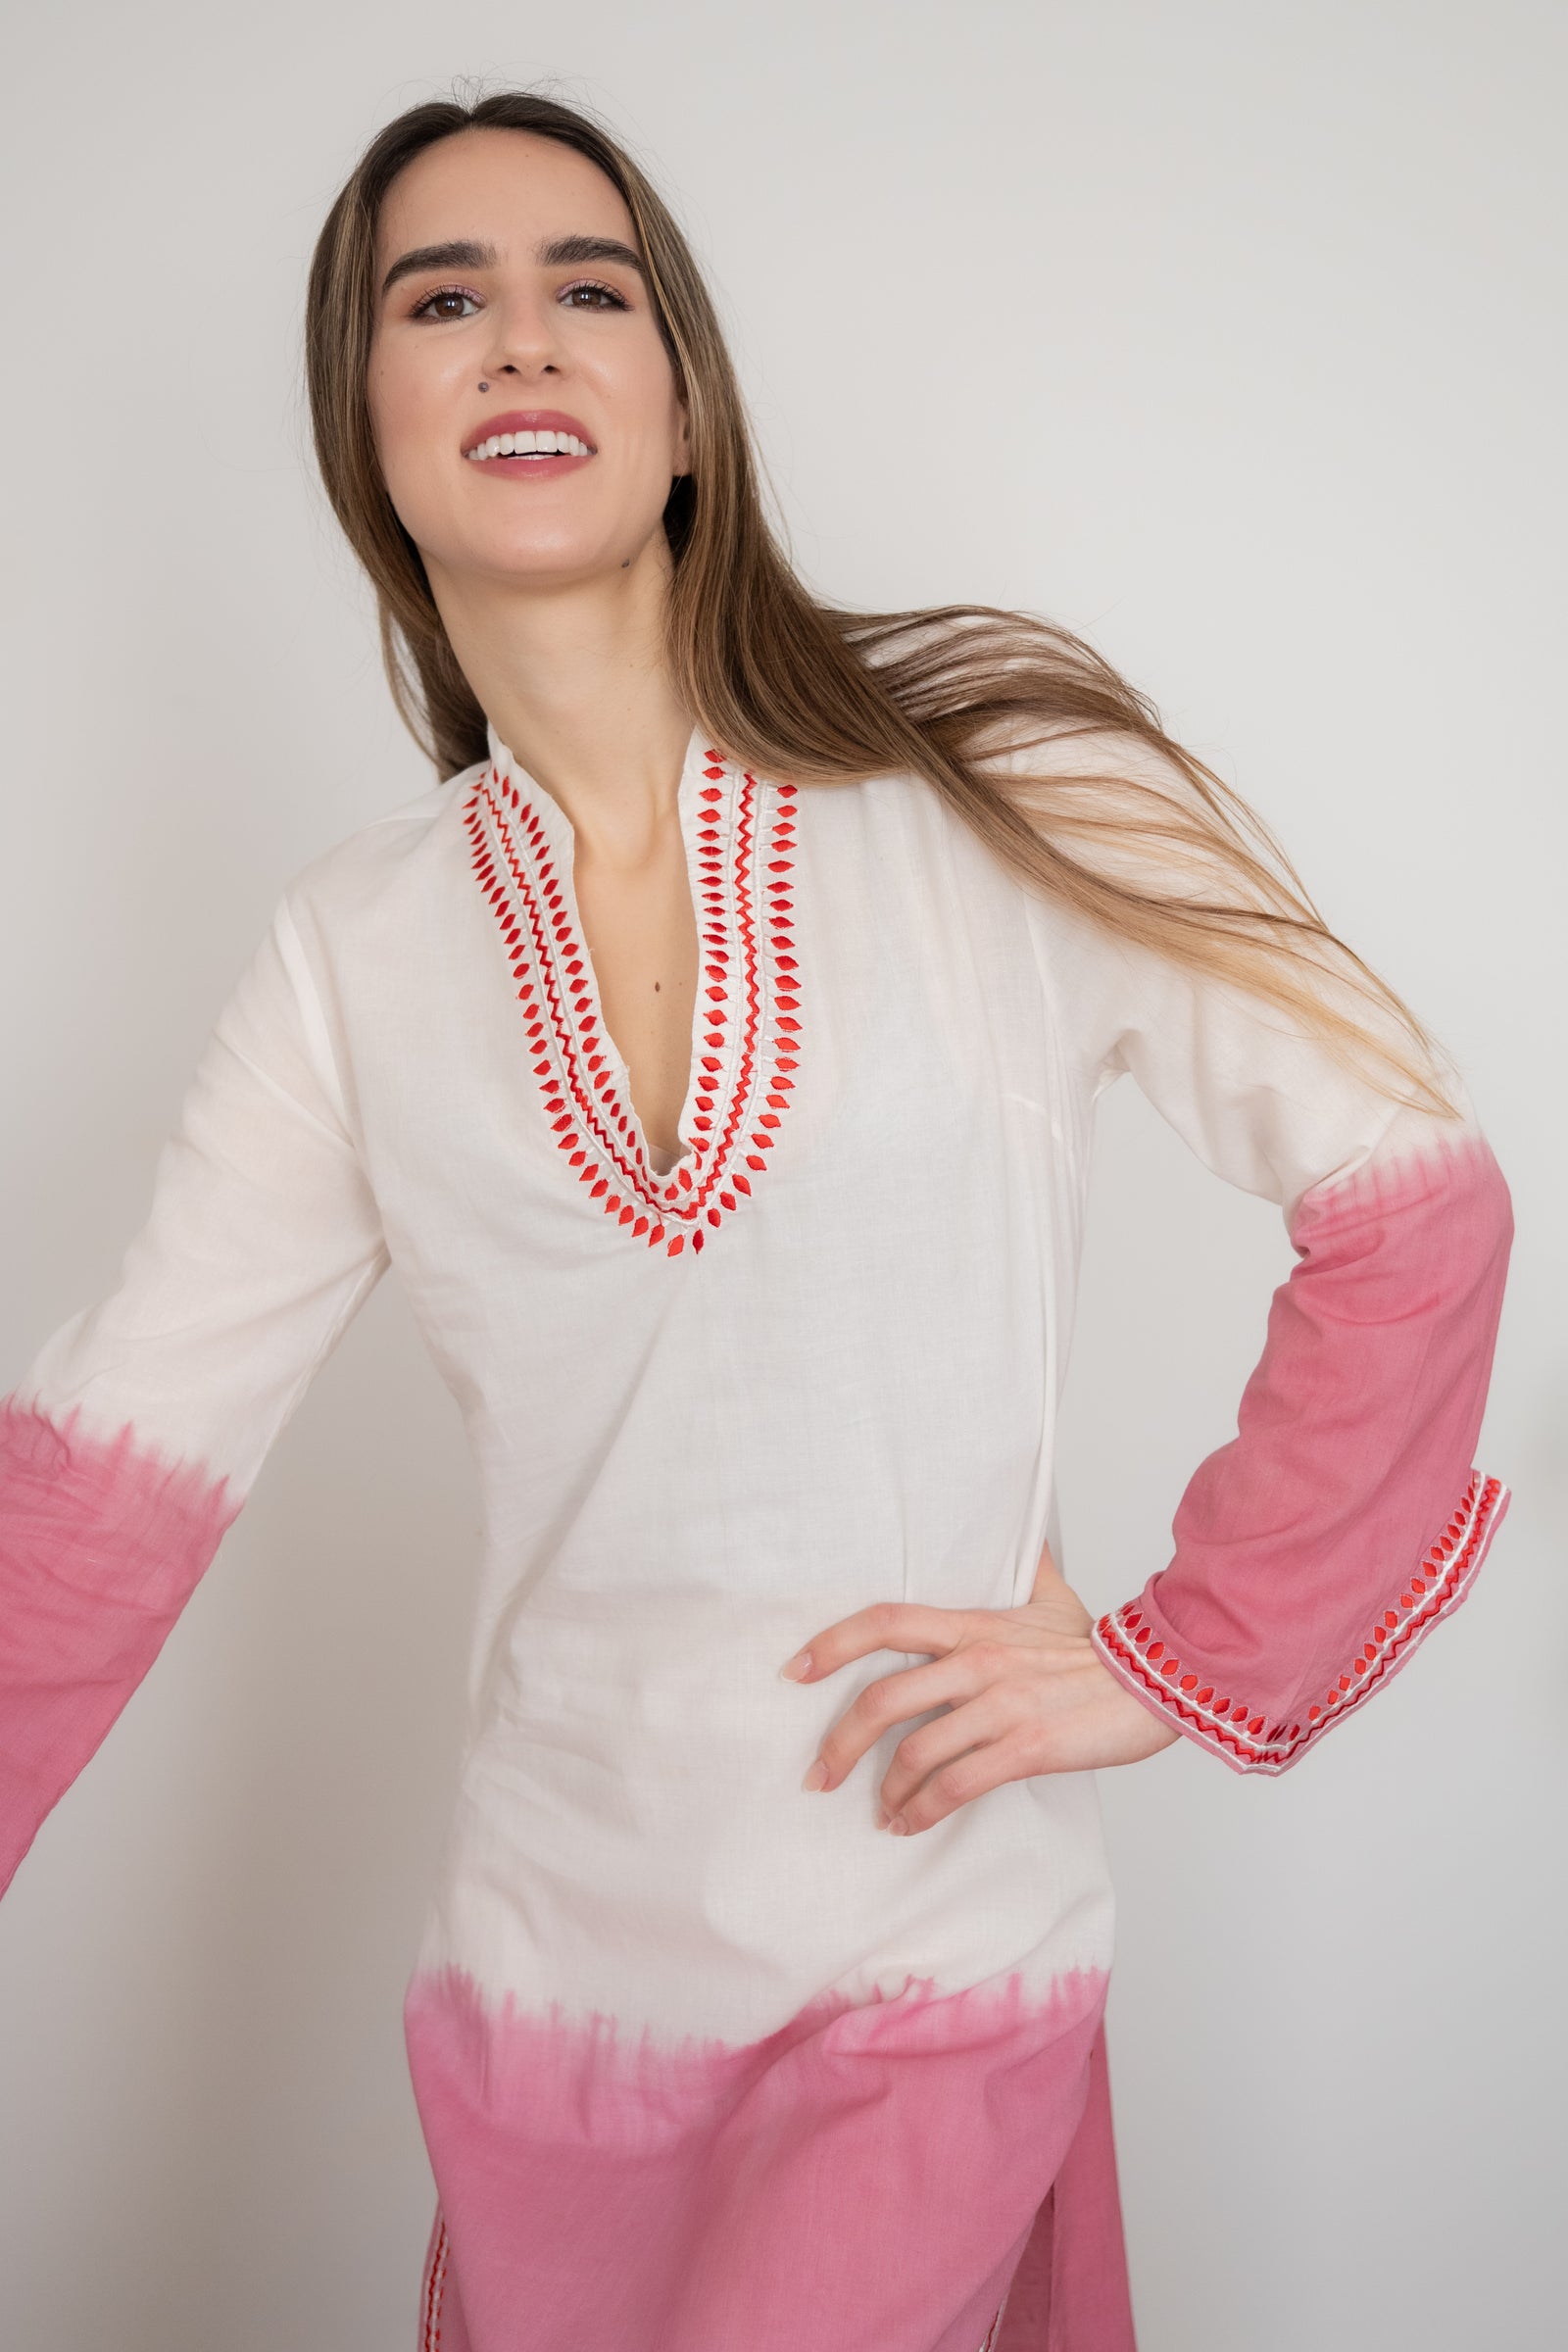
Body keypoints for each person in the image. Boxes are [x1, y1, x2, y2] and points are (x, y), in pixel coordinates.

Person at [0, 86, 1512, 2352]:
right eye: (442, 300)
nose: (523, 339)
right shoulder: (354, 951)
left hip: (927, 1958)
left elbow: (1409, 1199)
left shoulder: (1000, 781)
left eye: (589, 291)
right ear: (364, 424)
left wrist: (1180, 1651)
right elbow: (100, 1491)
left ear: (684, 401)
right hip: (545, 2002)